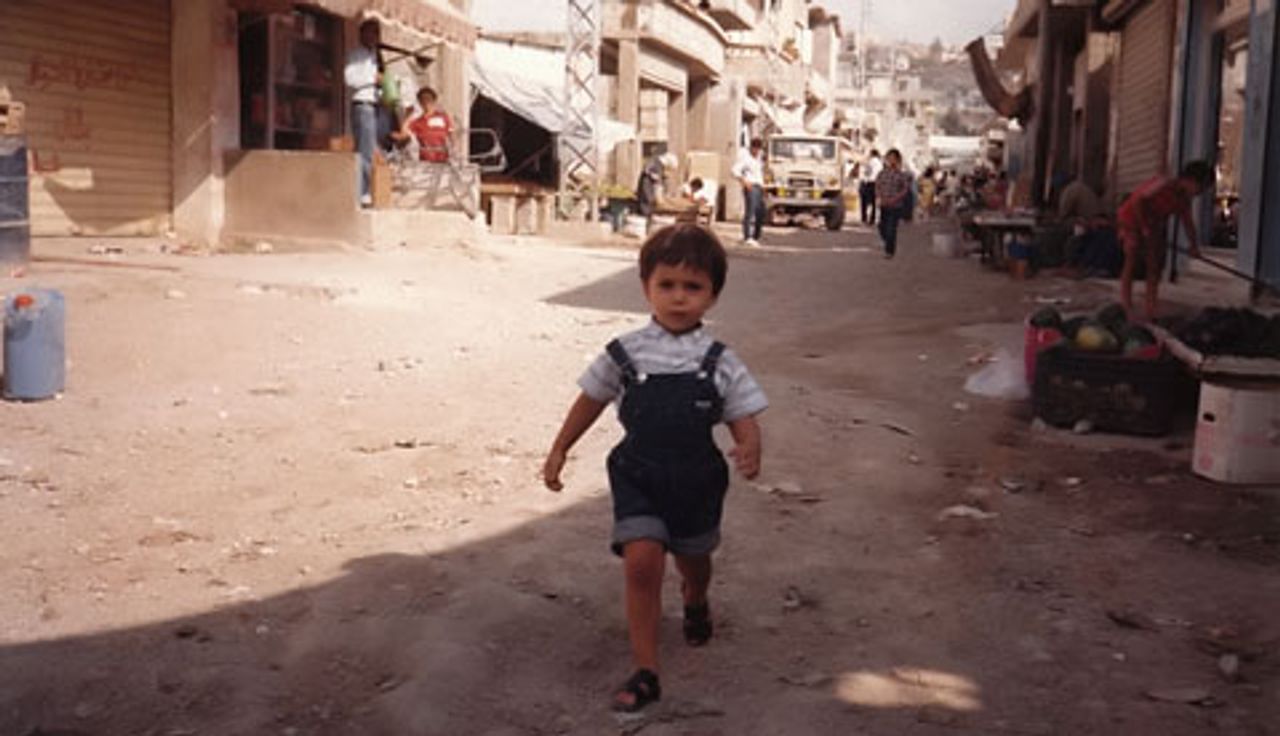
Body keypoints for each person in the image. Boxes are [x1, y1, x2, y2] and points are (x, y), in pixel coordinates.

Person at [542, 224, 767, 713]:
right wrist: (560, 448)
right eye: (667, 284)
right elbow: (590, 399)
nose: (679, 297)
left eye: (693, 287)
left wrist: (749, 446)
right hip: (638, 474)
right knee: (642, 561)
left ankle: (695, 596)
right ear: (646, 286)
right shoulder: (624, 352)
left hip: (697, 480)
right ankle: (646, 670)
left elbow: (741, 413)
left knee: (694, 558)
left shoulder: (720, 360)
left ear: (713, 295)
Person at [1116, 160, 1214, 320]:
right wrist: (1143, 227)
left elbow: (1188, 224)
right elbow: (1137, 201)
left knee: (1153, 265)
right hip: (1131, 219)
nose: (1200, 193)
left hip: (1153, 225)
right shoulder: (1163, 184)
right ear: (1189, 180)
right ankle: (1126, 304)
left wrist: (1194, 246)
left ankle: (1151, 307)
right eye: (1200, 187)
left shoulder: (1184, 200)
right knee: (1132, 258)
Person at [345, 19, 382, 207]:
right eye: (371, 32)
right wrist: (372, 79)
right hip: (362, 105)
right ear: (362, 34)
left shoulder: (375, 56)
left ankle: (365, 190)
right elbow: (350, 80)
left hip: (374, 105)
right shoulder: (356, 55)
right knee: (364, 151)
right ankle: (362, 194)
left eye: (377, 33)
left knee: (371, 150)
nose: (375, 37)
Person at [392, 86, 452, 163]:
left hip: (443, 160)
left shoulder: (444, 117)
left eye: (428, 99)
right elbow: (403, 134)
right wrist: (408, 115)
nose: (426, 102)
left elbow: (452, 136)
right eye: (423, 100)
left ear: (434, 100)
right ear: (420, 103)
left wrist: (454, 155)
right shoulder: (418, 122)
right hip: (426, 162)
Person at [875, 149, 912, 259]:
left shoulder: (901, 175)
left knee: (891, 228)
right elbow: (877, 185)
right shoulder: (882, 173)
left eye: (893, 158)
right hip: (884, 204)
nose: (891, 160)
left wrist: (896, 198)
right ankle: (889, 242)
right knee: (882, 227)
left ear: (897, 160)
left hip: (895, 206)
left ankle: (889, 251)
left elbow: (905, 189)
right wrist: (879, 196)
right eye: (889, 157)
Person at [732, 138, 766, 247]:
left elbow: (759, 174)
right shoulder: (745, 158)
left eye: (758, 149)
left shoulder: (759, 159)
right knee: (750, 212)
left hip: (759, 187)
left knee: (761, 212)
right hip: (751, 187)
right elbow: (735, 170)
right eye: (755, 149)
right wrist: (744, 182)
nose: (756, 151)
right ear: (751, 148)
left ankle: (756, 236)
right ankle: (747, 236)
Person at [858, 149, 883, 225]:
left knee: (864, 202)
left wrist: (864, 179)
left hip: (869, 183)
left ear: (872, 154)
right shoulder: (880, 163)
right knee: (874, 202)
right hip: (877, 183)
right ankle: (872, 219)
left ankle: (864, 218)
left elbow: (867, 172)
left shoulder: (870, 162)